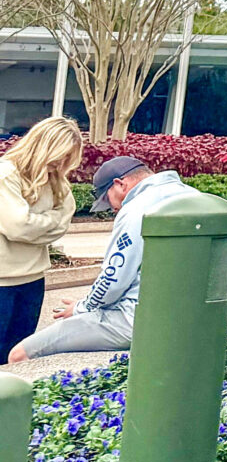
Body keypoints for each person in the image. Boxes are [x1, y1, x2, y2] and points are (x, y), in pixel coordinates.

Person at [8, 153, 195, 363]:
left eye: (107, 200)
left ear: (119, 184)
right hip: (192, 319)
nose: (113, 209)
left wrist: (81, 307)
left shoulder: (136, 210)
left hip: (137, 320)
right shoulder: (193, 197)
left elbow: (113, 280)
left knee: (19, 353)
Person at [0, 117, 81, 359]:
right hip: (2, 281)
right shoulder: (6, 175)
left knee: (17, 358)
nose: (62, 163)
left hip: (34, 279)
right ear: (44, 145)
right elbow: (18, 227)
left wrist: (34, 225)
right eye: (61, 154)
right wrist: (49, 220)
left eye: (68, 157)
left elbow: (62, 224)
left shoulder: (56, 180)